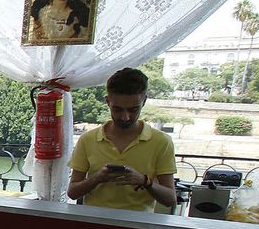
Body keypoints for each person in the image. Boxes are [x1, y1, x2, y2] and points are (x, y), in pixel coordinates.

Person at [67, 67, 177, 212]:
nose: (125, 117)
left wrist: (145, 181)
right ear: (107, 102)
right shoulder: (88, 139)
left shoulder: (161, 141)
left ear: (144, 101)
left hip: (138, 227)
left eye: (133, 110)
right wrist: (97, 178)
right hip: (94, 224)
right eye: (118, 109)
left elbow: (170, 199)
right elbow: (72, 192)